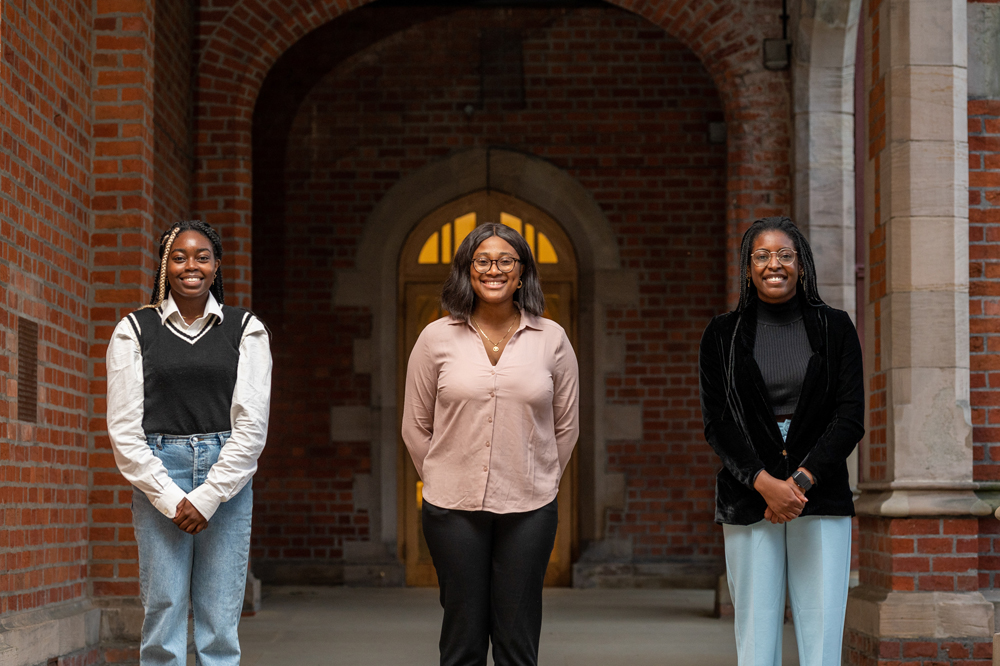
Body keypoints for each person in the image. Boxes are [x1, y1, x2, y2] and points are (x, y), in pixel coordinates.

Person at [402, 223, 579, 666]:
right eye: (482, 261)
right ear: (467, 270)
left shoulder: (552, 339)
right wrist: (441, 476)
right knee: (462, 638)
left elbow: (566, 426)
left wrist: (543, 477)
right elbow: (415, 424)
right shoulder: (435, 338)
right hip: (452, 509)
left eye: (506, 261)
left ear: (522, 274)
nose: (493, 270)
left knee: (517, 640)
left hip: (530, 508)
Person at [699, 216, 864, 666]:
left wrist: (801, 481)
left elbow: (850, 417)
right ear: (748, 267)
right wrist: (764, 482)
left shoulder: (836, 327)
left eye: (785, 255)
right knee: (756, 628)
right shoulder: (721, 334)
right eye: (763, 255)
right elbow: (718, 422)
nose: (775, 264)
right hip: (749, 493)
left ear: (802, 265)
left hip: (821, 490)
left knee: (822, 628)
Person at [105, 220, 271, 665]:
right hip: (159, 469)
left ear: (217, 266)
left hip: (228, 474)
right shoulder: (134, 330)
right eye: (179, 257)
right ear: (165, 266)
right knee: (164, 613)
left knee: (219, 621)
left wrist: (210, 495)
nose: (190, 266)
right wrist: (170, 496)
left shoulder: (246, 329)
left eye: (202, 257)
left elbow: (251, 426)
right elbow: (124, 430)